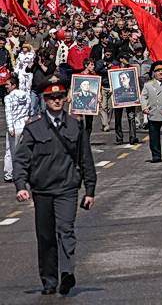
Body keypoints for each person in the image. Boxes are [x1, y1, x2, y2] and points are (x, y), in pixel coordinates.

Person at [13, 81, 96, 296]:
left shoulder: (75, 124)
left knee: (65, 230)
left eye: (60, 96)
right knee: (46, 236)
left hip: (67, 188)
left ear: (66, 98)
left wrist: (90, 190)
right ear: (44, 100)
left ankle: (67, 273)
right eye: (52, 97)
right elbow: (21, 160)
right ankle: (49, 280)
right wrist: (21, 186)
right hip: (42, 190)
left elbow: (85, 158)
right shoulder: (34, 126)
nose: (57, 100)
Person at [4, 75, 32, 182]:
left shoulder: (9, 98)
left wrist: (10, 128)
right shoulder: (26, 95)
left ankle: (9, 175)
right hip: (25, 126)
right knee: (25, 151)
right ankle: (25, 173)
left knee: (10, 152)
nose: (6, 86)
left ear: (14, 85)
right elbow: (30, 111)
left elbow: (9, 114)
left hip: (15, 127)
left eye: (7, 84)